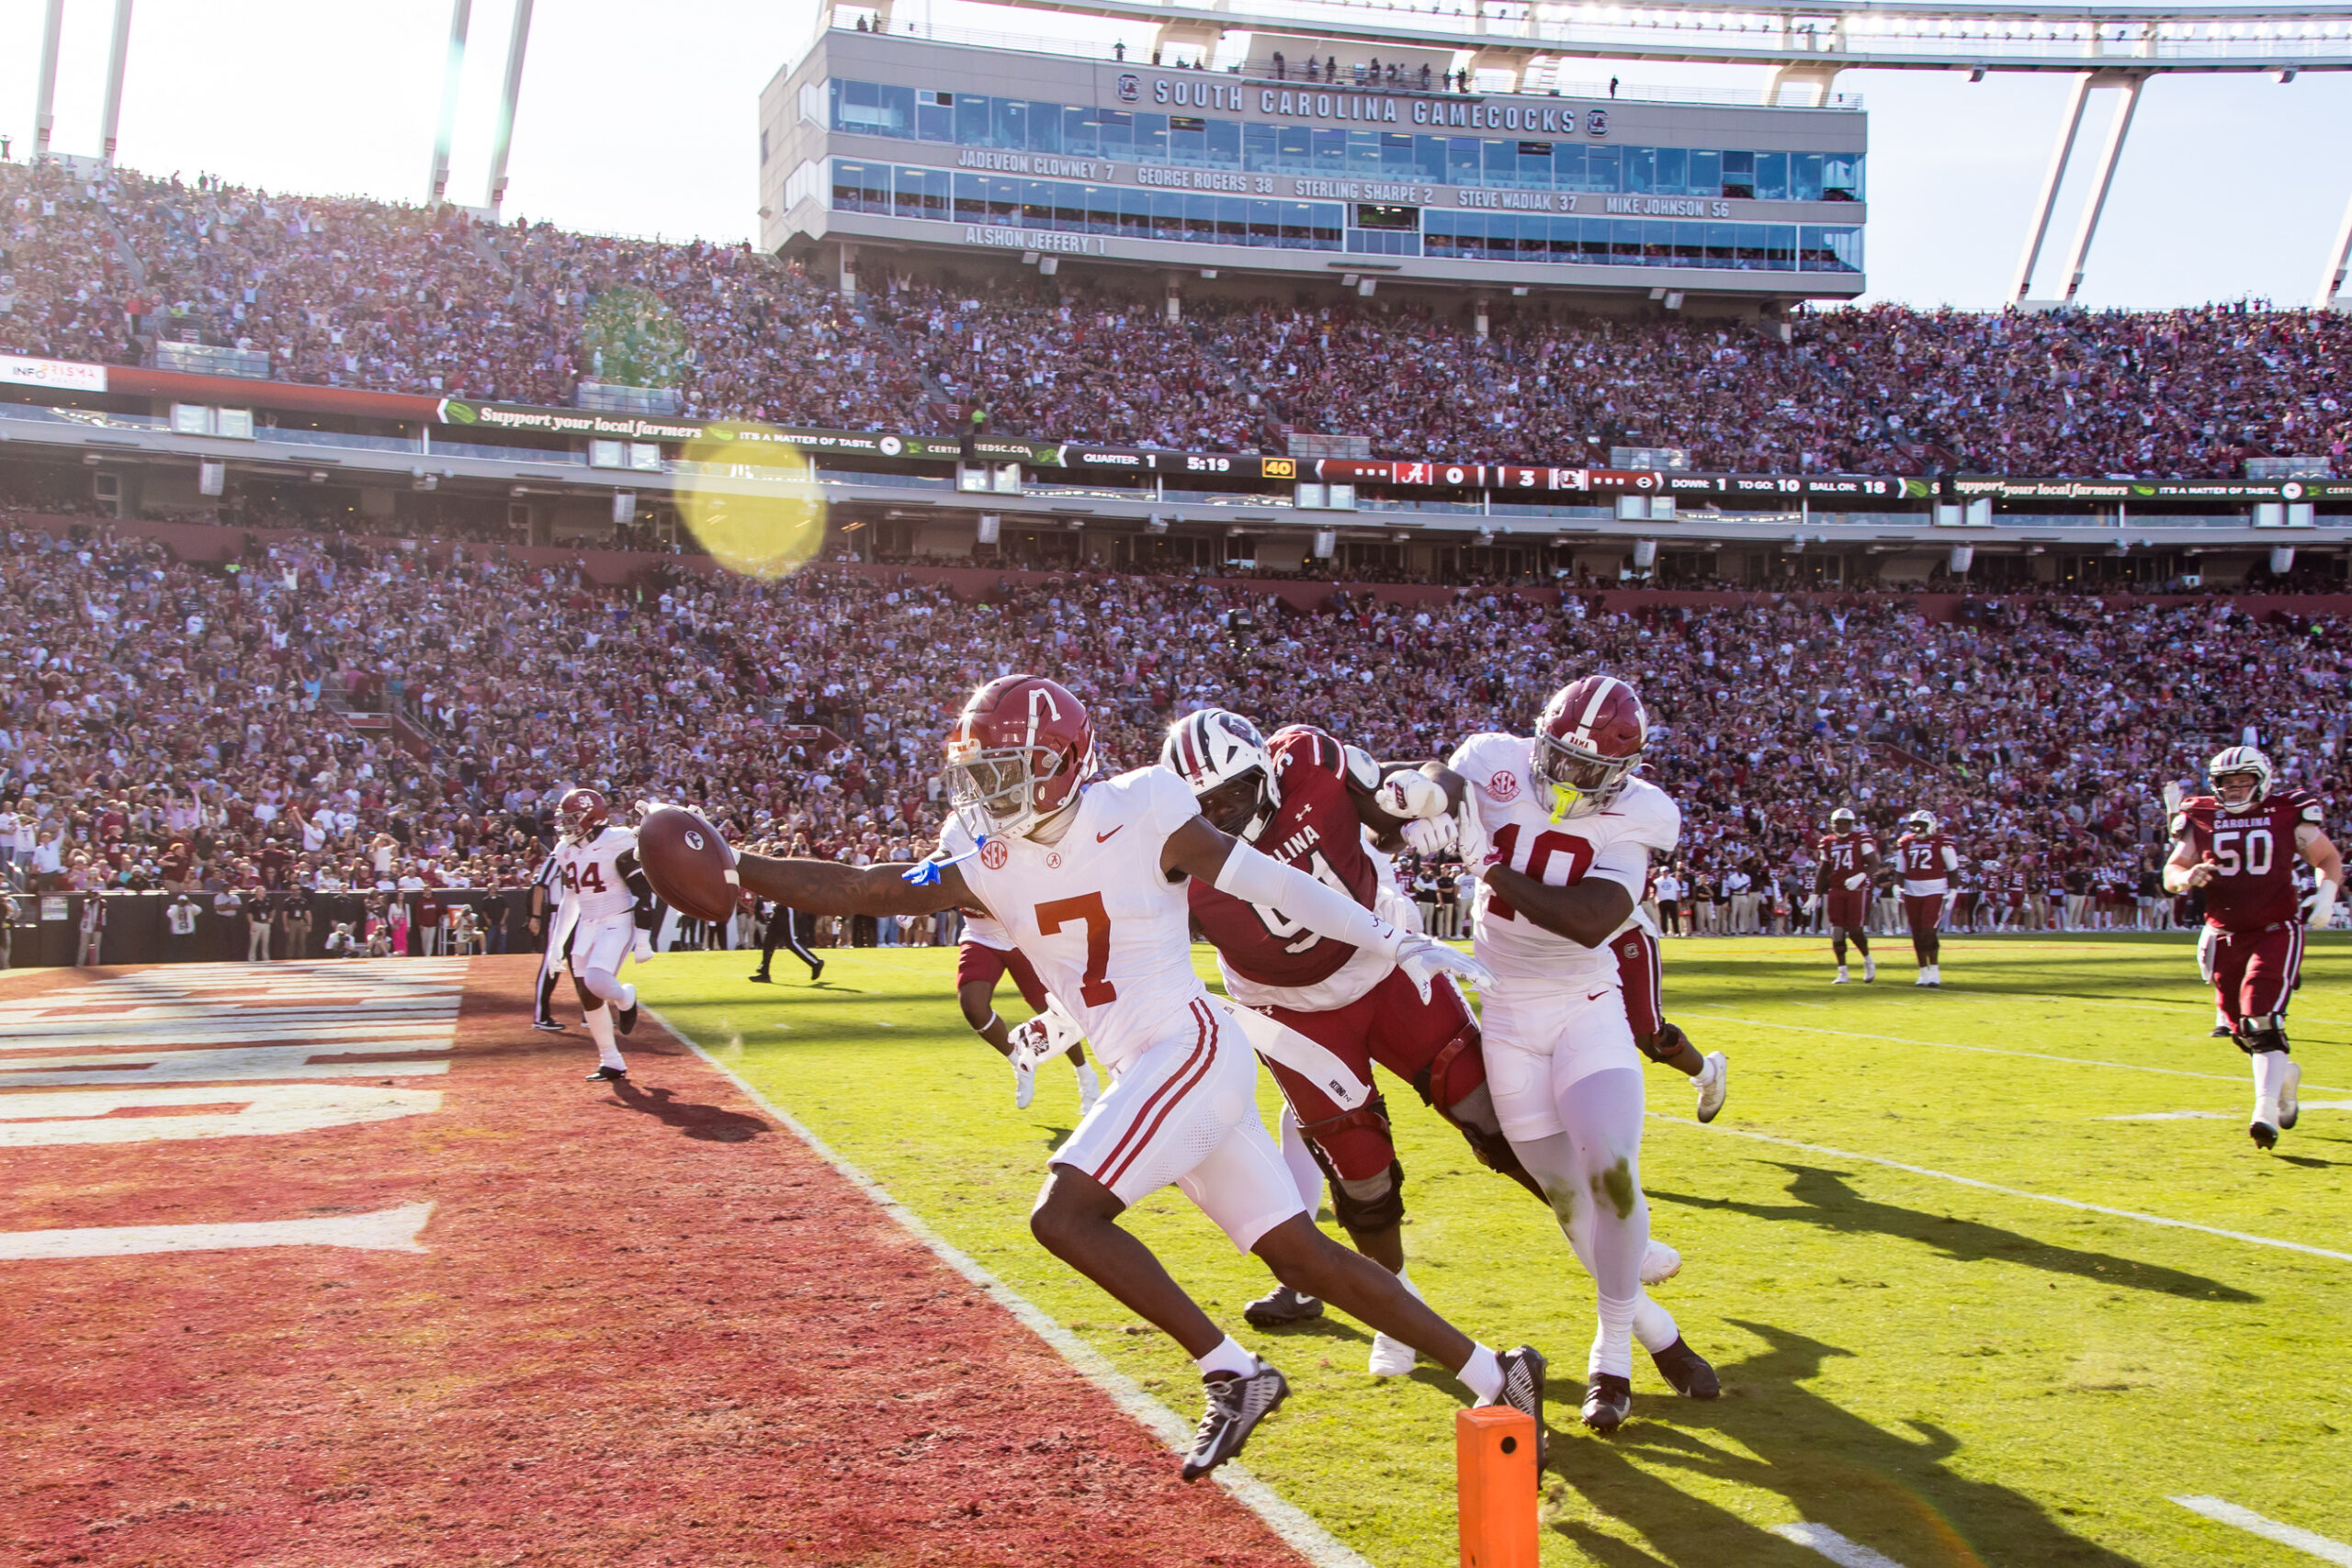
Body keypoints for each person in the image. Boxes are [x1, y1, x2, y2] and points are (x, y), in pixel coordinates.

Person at [664, 674, 1545, 1482]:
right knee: (1300, 1254)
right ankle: (1494, 1371)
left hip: (1186, 1046)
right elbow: (868, 888)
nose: (990, 787)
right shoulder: (980, 850)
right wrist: (741, 870)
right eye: (981, 768)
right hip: (1148, 1062)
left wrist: (1387, 937)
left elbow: (1259, 873)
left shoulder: (1144, 804)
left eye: (1010, 768)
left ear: (1064, 762)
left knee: (1064, 1213)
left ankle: (1231, 1371)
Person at [1166, 709, 1718, 1398]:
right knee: (1362, 1178)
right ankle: (1397, 1310)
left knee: (1500, 1124)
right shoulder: (1171, 848)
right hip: (1293, 1010)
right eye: (1207, 803)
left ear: (1264, 767)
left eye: (1236, 790)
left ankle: (1623, 1275)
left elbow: (1404, 795)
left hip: (1386, 967)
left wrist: (1423, 799)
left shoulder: (1308, 757)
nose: (1224, 810)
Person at [1450, 673, 1687, 1433]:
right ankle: (1659, 1331)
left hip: (1586, 1007)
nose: (1568, 777)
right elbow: (1434, 782)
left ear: (1626, 770)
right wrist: (1425, 798)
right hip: (1508, 1016)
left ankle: (1610, 1357)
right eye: (1559, 756)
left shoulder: (1642, 812)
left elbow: (1592, 920)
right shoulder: (1497, 757)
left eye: (1589, 769)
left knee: (1612, 1173)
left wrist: (1483, 861)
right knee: (1567, 1199)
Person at [2164, 745, 2341, 1150]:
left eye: (2244, 781)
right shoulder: (2201, 814)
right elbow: (2171, 870)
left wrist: (2327, 893)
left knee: (2262, 1015)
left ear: (2261, 781)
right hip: (2225, 931)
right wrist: (2185, 876)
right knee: (2241, 1029)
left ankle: (2263, 1113)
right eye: (2228, 782)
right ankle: (2284, 1078)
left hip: (2275, 927)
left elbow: (2328, 856)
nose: (2236, 788)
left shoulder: (2286, 811)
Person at [549, 787, 662, 1082]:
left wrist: (642, 938)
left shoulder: (617, 841)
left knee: (596, 980)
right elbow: (570, 899)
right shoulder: (566, 850)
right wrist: (555, 945)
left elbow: (643, 892)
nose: (566, 825)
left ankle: (626, 996)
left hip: (617, 920)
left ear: (591, 817)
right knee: (588, 995)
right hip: (587, 925)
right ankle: (610, 1060)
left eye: (572, 818)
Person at [958, 904, 1097, 1111]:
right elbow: (939, 878)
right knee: (973, 1006)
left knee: (1051, 1013)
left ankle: (1085, 1074)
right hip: (980, 937)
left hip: (1023, 938)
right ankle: (1020, 1062)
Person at [1894, 809, 1959, 987]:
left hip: (1935, 889)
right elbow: (1900, 869)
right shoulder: (1906, 842)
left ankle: (1934, 969)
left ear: (1931, 825)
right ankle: (1923, 970)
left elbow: (1953, 870)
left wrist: (1953, 890)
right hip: (1912, 890)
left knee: (1928, 931)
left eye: (1920, 825)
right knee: (1916, 932)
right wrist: (1896, 885)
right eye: (1914, 825)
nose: (1917, 828)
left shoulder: (1942, 841)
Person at [1816, 807, 1882, 983]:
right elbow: (1823, 871)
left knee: (1854, 930)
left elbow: (1874, 864)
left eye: (1846, 823)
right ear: (1832, 824)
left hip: (1856, 890)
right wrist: (1813, 895)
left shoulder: (1861, 839)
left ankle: (1867, 960)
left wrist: (1861, 876)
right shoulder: (1827, 842)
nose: (1842, 826)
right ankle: (1842, 971)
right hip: (1836, 890)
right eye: (1839, 823)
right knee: (1836, 931)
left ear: (1852, 824)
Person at [749, 895, 824, 985]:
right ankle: (765, 972)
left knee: (791, 942)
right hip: (779, 908)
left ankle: (815, 963)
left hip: (787, 907)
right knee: (769, 941)